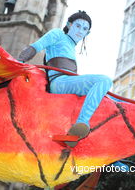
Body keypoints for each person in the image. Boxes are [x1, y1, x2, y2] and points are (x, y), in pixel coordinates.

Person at [18, 11, 112, 147]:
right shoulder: (58, 34)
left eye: (85, 29)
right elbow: (36, 47)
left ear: (88, 33)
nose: (80, 31)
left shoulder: (71, 47)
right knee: (104, 81)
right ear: (69, 24)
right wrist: (18, 62)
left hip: (69, 82)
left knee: (108, 99)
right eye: (78, 26)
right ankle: (81, 124)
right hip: (60, 82)